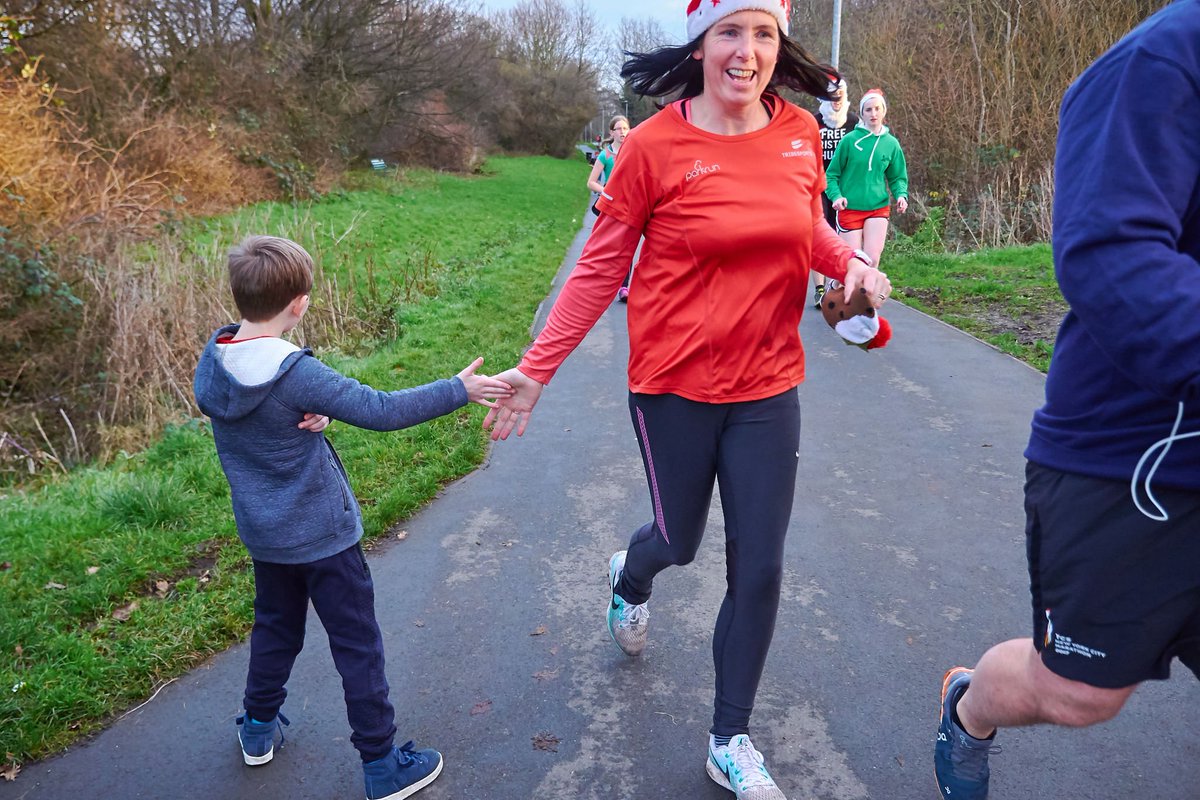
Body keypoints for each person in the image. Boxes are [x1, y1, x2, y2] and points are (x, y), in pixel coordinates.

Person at [481, 2, 892, 798]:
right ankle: (630, 579)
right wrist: (537, 367)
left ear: (781, 43)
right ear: (703, 45)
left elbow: (808, 227)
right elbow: (600, 269)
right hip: (671, 384)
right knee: (679, 539)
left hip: (769, 384)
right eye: (730, 33)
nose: (746, 52)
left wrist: (850, 263)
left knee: (761, 566)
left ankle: (729, 736)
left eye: (762, 33)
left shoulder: (802, 134)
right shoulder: (652, 146)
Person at [934, 3, 1200, 798]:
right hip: (1129, 460)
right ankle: (969, 703)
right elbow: (1107, 252)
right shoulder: (1160, 60)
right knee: (1077, 693)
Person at [192, 236, 511, 800]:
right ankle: (384, 765)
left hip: (266, 536)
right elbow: (381, 410)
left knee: (274, 629)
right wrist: (457, 389)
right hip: (323, 537)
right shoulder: (294, 373)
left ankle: (258, 730)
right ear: (299, 303)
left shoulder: (215, 361)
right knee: (356, 644)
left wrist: (307, 416)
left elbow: (262, 421)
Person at [824, 88, 907, 271]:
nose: (873, 113)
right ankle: (836, 291)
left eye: (877, 108)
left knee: (872, 260)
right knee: (852, 264)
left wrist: (901, 195)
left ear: (884, 111)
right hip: (850, 207)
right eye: (868, 110)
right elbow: (831, 175)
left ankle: (866, 300)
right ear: (861, 113)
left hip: (878, 207)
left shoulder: (891, 144)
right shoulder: (849, 141)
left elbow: (897, 177)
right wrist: (836, 196)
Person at [809, 77, 859, 309]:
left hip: (843, 188)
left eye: (840, 96)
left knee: (841, 238)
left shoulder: (853, 122)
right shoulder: (814, 123)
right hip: (818, 186)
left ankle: (835, 287)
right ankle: (820, 289)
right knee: (820, 235)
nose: (837, 102)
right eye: (832, 97)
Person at [586, 114, 633, 301]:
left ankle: (624, 287)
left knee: (626, 246)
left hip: (629, 206)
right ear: (612, 132)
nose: (623, 132)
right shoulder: (606, 155)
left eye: (626, 128)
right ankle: (598, 283)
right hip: (609, 207)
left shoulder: (633, 151)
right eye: (619, 129)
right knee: (607, 247)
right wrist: (606, 190)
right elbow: (591, 182)